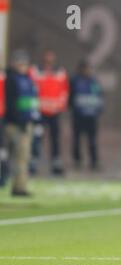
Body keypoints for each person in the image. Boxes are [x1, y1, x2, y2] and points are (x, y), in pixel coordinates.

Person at [29, 49, 69, 175]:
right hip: (40, 112)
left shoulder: (60, 73)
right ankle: (33, 162)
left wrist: (60, 106)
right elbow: (31, 91)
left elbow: (64, 91)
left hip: (54, 112)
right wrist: (34, 107)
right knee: (37, 137)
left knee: (55, 138)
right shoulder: (35, 72)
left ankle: (56, 162)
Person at [4, 50, 39, 196]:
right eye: (19, 62)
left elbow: (31, 102)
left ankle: (19, 185)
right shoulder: (12, 79)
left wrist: (34, 119)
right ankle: (18, 187)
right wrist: (19, 121)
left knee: (23, 156)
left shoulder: (28, 79)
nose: (22, 65)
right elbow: (11, 103)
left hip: (26, 122)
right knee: (19, 156)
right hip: (16, 123)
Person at [69, 60, 104, 171]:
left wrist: (99, 109)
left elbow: (99, 96)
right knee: (77, 139)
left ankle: (94, 161)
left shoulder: (94, 81)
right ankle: (77, 160)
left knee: (92, 140)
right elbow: (70, 97)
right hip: (79, 116)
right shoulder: (75, 81)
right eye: (85, 68)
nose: (87, 71)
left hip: (91, 116)